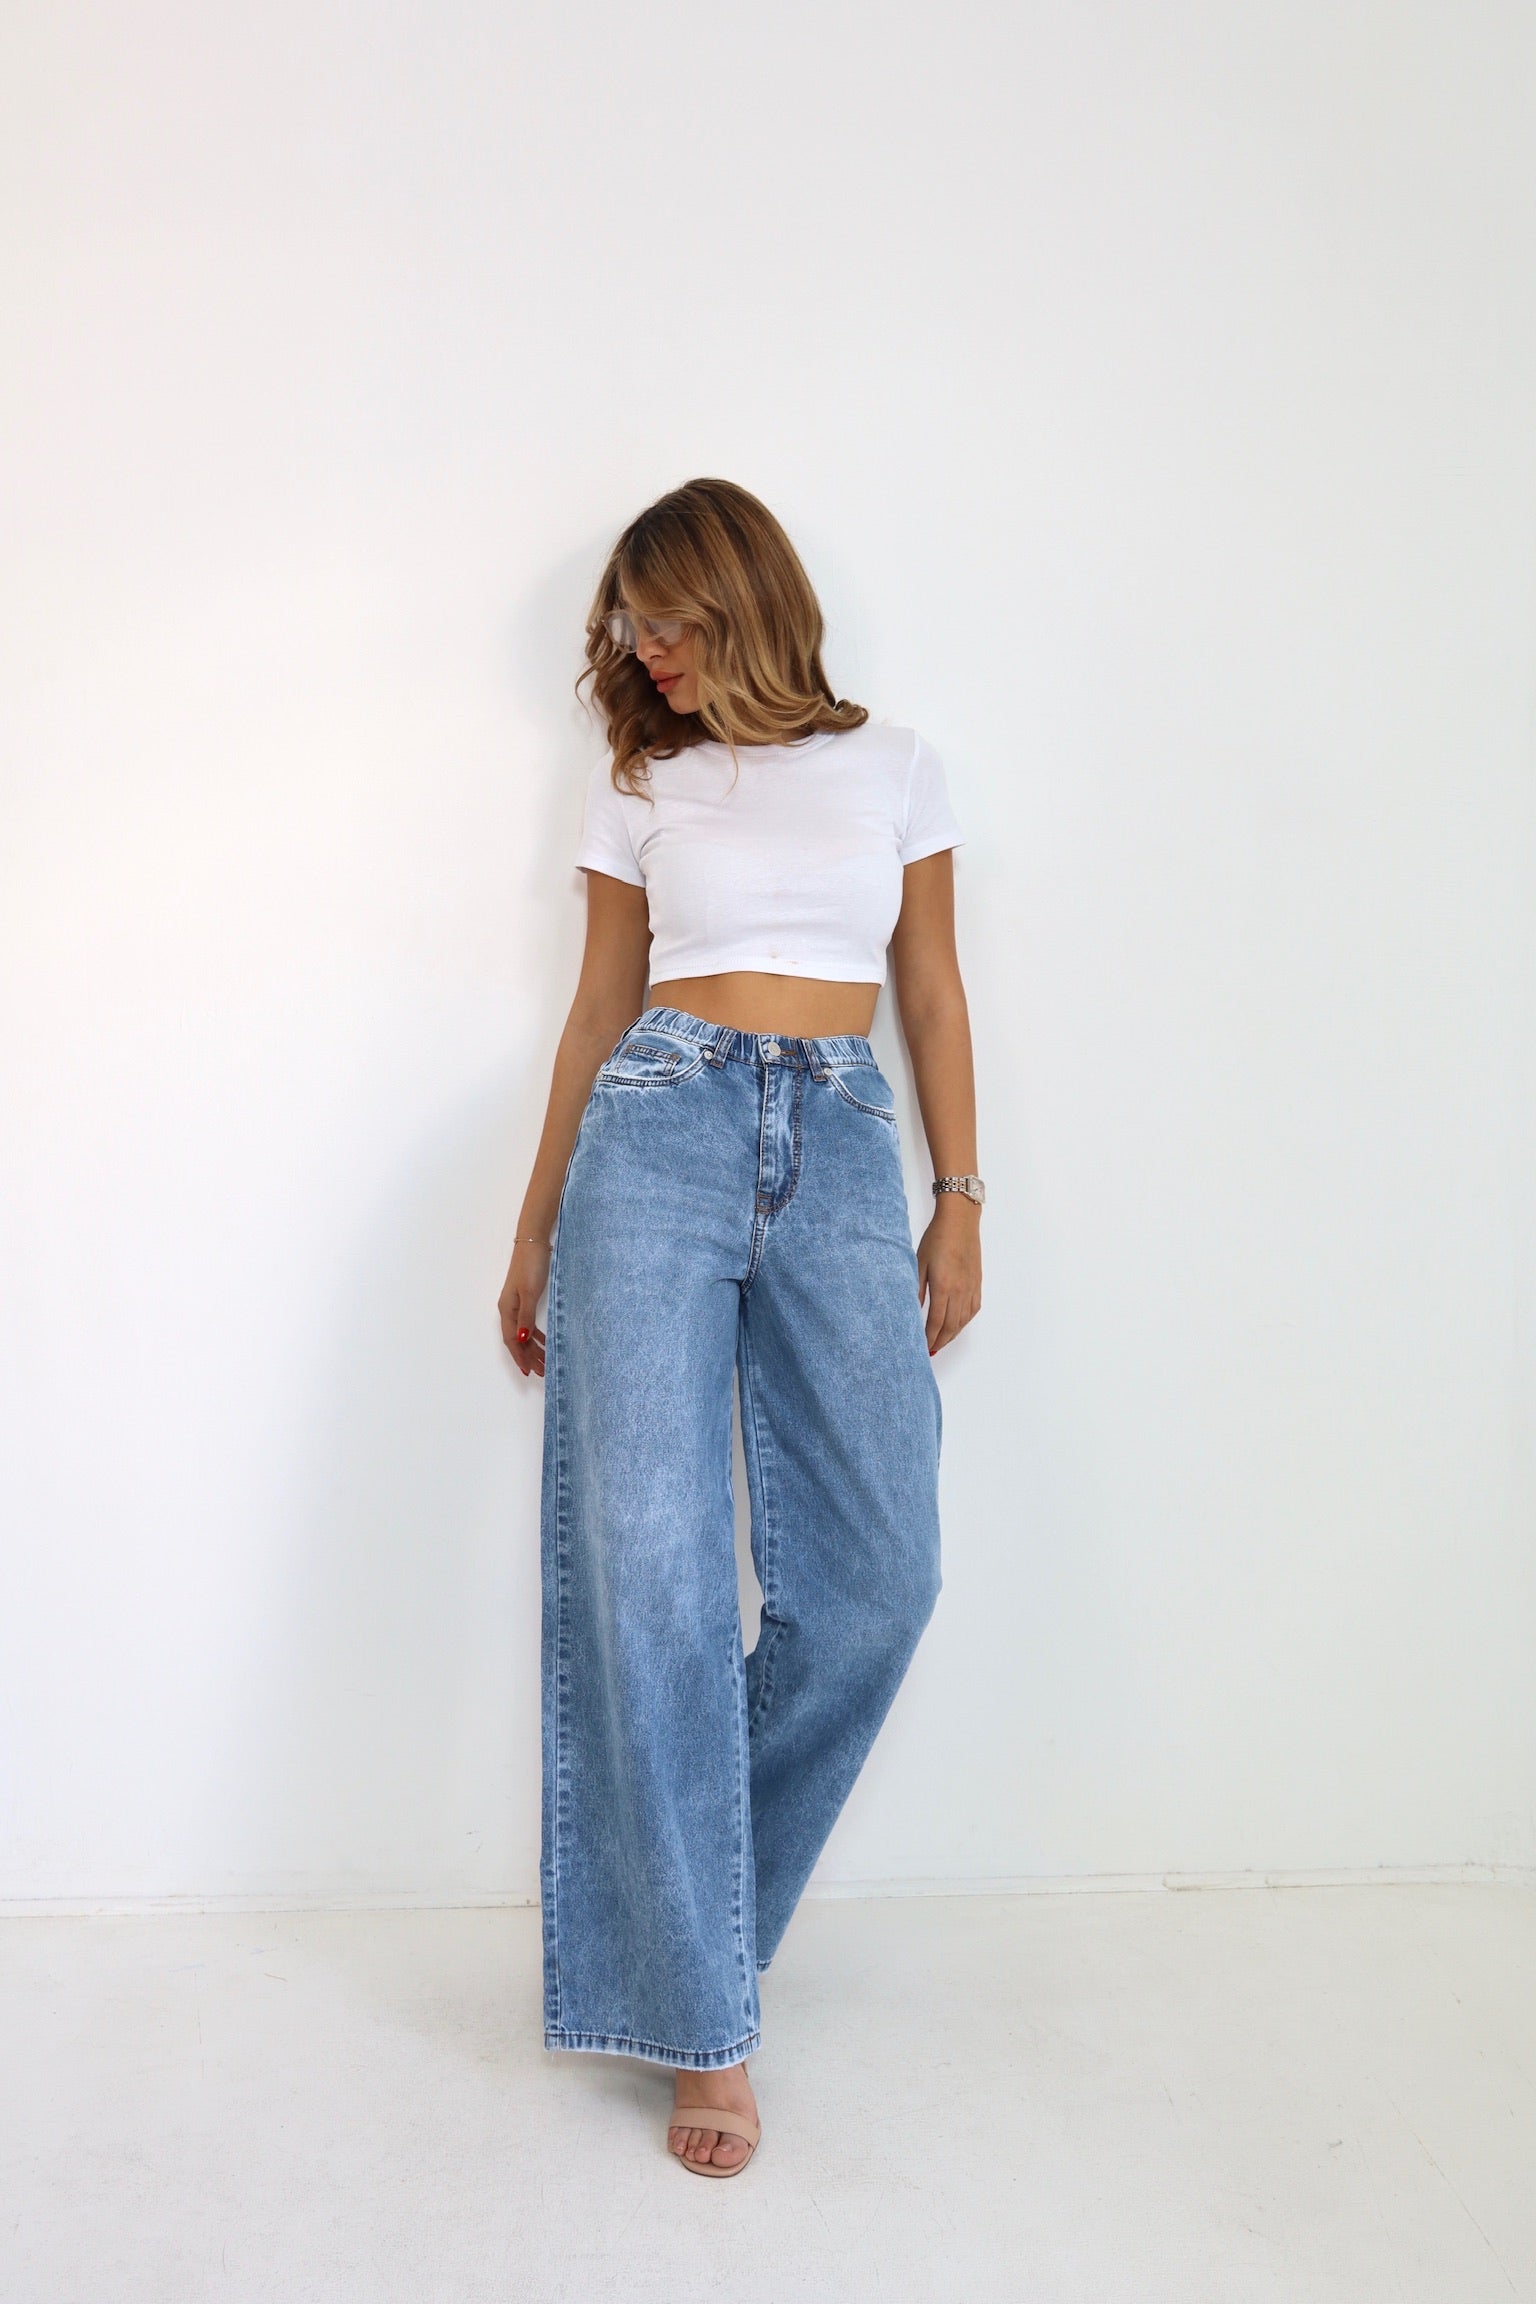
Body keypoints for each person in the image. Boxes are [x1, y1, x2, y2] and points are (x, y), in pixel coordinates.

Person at [498, 477, 983, 2177]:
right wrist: (533, 1224)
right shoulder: (640, 778)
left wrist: (960, 1198)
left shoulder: (898, 766)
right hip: (657, 1130)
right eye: (632, 629)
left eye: (671, 622)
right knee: (655, 1579)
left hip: (842, 1141)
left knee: (879, 1582)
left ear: (743, 601)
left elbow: (932, 995)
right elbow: (594, 1009)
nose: (648, 652)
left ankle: (676, 1940)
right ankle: (709, 2033)